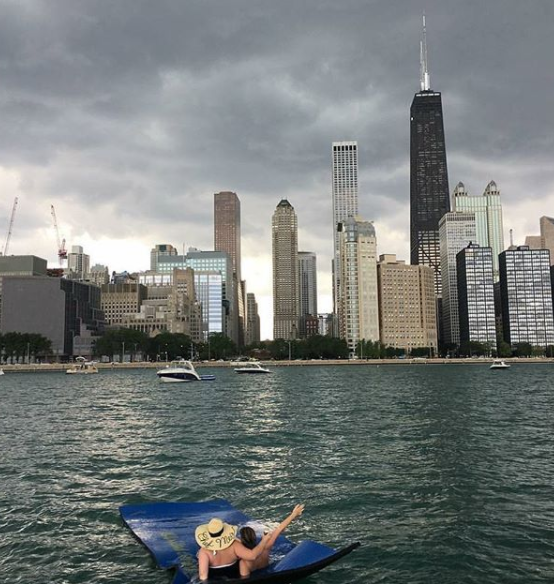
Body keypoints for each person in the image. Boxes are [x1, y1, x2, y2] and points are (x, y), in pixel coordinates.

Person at [195, 517, 272, 581]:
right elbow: (252, 556)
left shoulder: (204, 551)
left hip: (214, 579)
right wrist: (264, 540)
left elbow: (203, 576)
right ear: (224, 531)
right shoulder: (234, 544)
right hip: (235, 577)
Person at [238, 504, 305, 577]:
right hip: (267, 569)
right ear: (254, 537)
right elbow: (279, 529)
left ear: (242, 540)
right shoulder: (265, 547)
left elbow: (246, 580)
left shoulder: (244, 562)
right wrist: (293, 514)